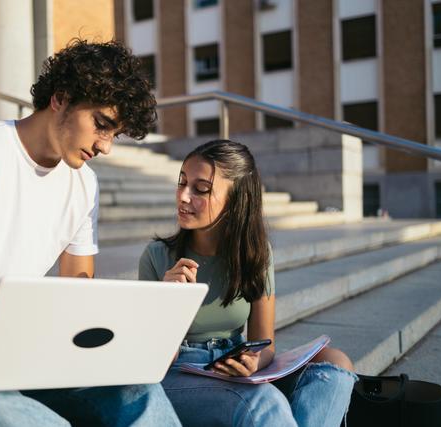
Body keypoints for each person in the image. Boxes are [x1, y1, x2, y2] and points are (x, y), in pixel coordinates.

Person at [0, 40, 181, 426]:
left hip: (34, 336)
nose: (106, 147)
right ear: (60, 99)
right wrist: (43, 315)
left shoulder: (84, 185)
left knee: (140, 392)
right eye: (101, 125)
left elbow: (77, 287)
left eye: (116, 134)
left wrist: (125, 336)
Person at [138, 140, 358, 427]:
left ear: (236, 201)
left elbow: (265, 345)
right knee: (261, 402)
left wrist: (253, 361)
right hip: (179, 373)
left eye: (200, 189)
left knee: (336, 364)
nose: (183, 196)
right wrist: (168, 302)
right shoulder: (157, 257)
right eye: (182, 183)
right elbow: (148, 361)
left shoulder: (256, 254)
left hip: (233, 365)